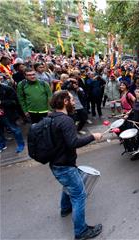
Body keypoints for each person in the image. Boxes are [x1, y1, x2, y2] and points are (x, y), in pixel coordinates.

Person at [48, 90, 103, 239]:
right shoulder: (65, 120)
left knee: (68, 185)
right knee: (79, 196)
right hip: (65, 165)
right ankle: (81, 232)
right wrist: (93, 136)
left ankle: (65, 208)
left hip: (56, 164)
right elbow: (73, 143)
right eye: (72, 100)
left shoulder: (51, 117)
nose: (74, 102)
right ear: (65, 101)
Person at [0, 83, 25, 153]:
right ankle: (1, 145)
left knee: (15, 129)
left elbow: (14, 102)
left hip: (7, 115)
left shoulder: (7, 89)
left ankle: (20, 145)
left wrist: (1, 102)